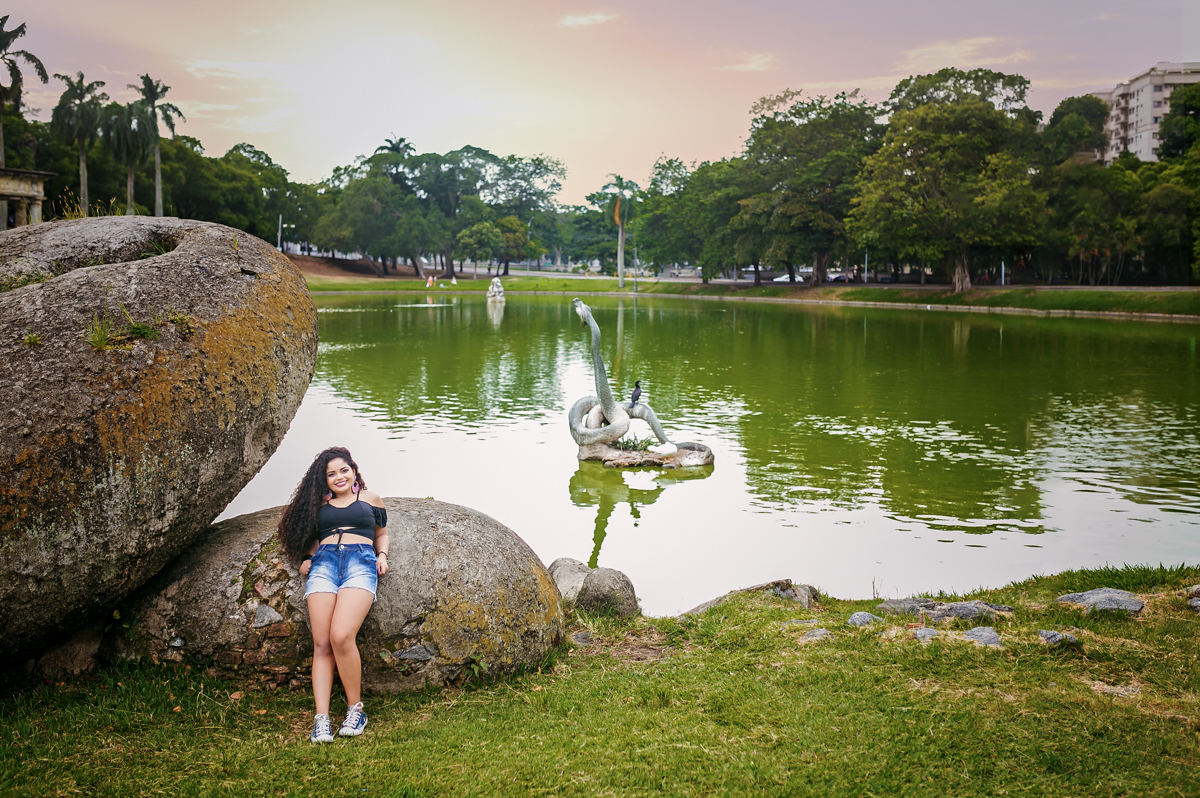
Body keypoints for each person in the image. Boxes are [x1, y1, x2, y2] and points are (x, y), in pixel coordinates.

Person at [276, 446, 389, 743]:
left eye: (343, 470)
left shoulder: (370, 498)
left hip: (360, 564)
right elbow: (314, 537)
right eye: (331, 474)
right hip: (324, 565)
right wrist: (307, 556)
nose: (338, 477)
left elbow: (381, 532)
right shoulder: (320, 505)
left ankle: (356, 709)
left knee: (341, 636)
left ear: (354, 470)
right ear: (323, 480)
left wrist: (383, 555)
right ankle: (321, 719)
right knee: (323, 642)